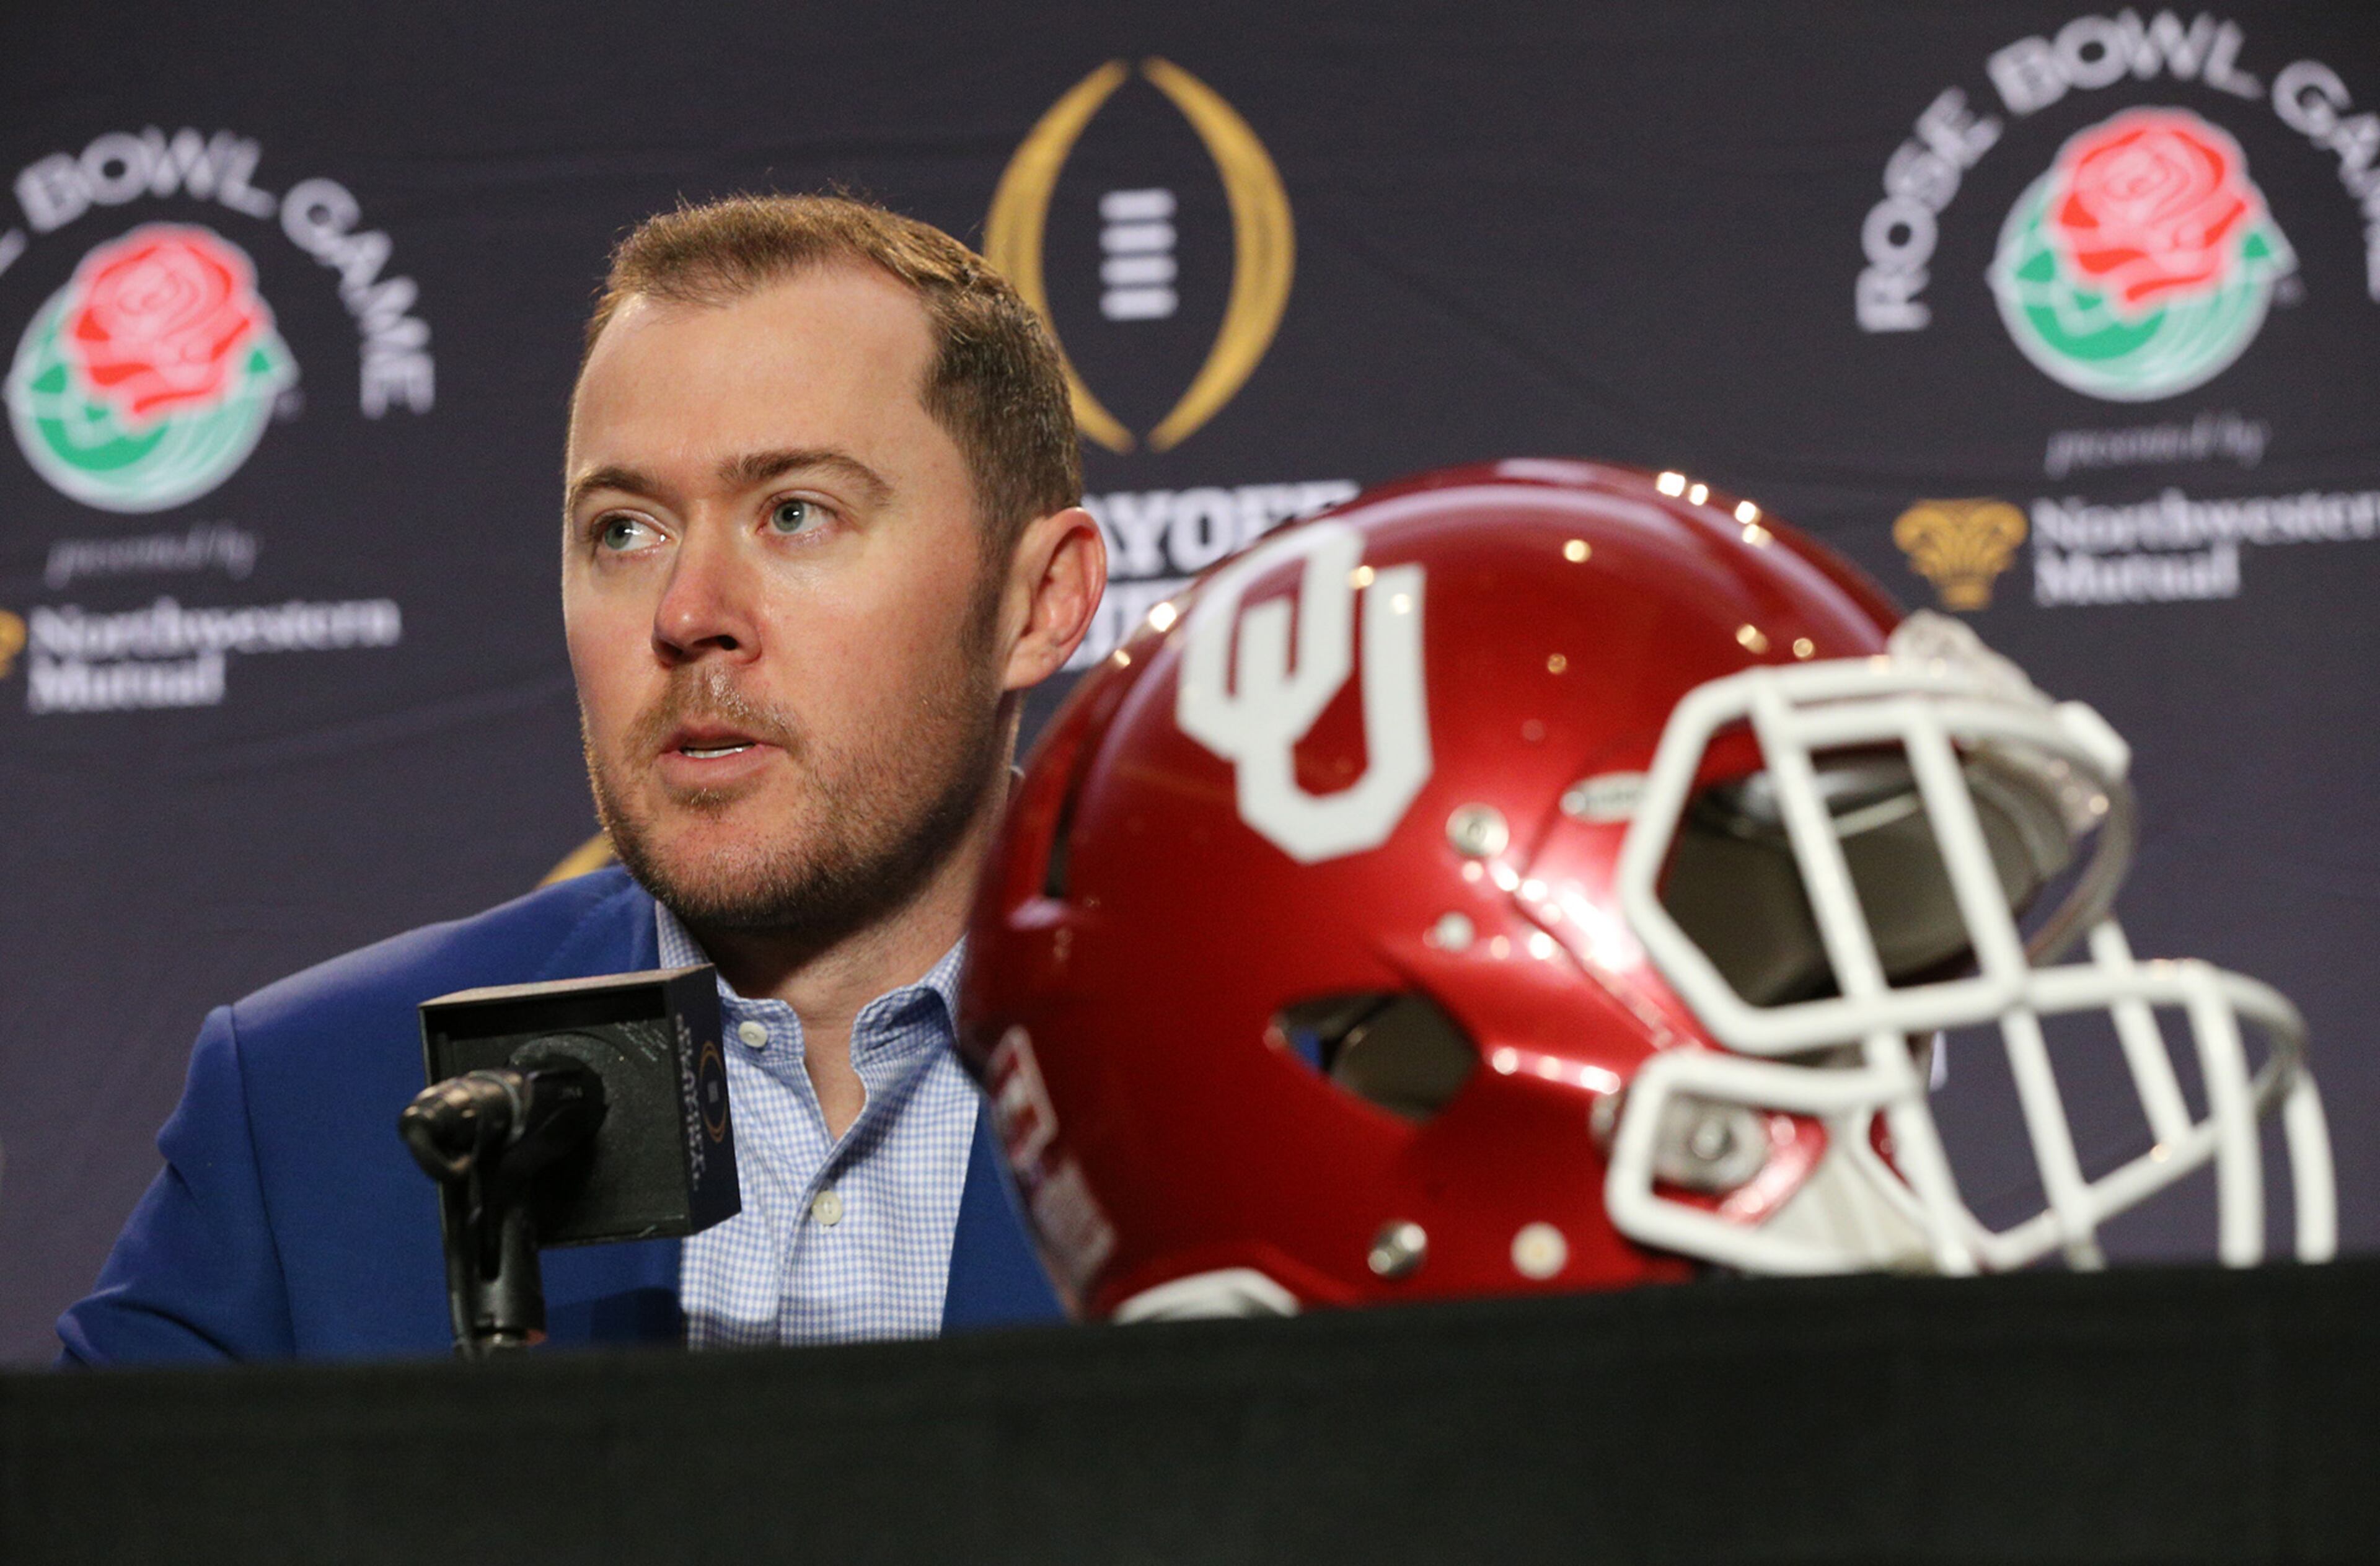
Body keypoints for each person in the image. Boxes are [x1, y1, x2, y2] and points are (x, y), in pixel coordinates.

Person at [58, 194, 1106, 1360]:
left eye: (796, 513)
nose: (689, 613)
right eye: (624, 530)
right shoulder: (313, 1103)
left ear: (1039, 603)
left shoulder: (1286, 1067)